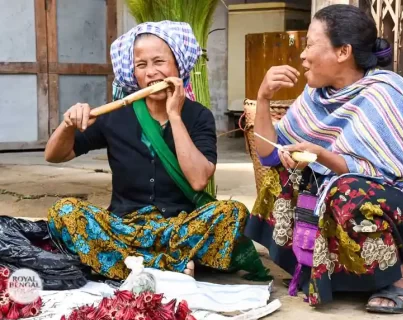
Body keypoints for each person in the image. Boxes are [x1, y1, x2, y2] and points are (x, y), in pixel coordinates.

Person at [245, 4, 403, 314]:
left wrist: (322, 156)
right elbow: (268, 155)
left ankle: (401, 278)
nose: (302, 55)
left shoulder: (385, 94)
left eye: (309, 45)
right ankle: (325, 267)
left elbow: (389, 176)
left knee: (346, 190)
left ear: (343, 51)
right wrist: (263, 97)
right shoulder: (315, 95)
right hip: (351, 211)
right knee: (285, 177)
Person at [44, 21, 270, 282]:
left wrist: (174, 115)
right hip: (123, 228)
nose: (151, 73)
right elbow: (54, 155)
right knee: (64, 212)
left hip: (179, 229)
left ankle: (129, 264)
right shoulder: (115, 114)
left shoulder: (198, 116)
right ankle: (166, 266)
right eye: (142, 65)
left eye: (159, 62)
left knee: (232, 213)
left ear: (177, 65)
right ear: (134, 73)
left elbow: (198, 180)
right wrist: (68, 123)